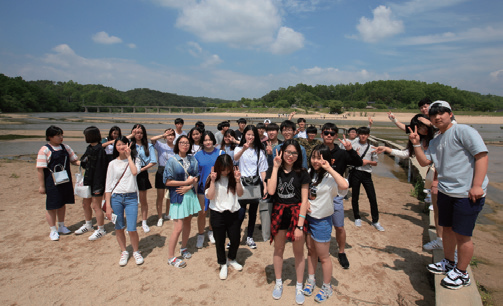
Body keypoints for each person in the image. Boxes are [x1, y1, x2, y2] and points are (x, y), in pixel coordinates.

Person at [410, 101, 488, 290]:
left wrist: (477, 185)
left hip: (466, 193)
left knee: (463, 235)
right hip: (446, 191)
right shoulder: (436, 139)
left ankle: (462, 272)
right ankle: (448, 262)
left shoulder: (463, 131)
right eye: (433, 114)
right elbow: (424, 161)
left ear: (450, 114)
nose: (437, 117)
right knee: (448, 230)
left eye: (441, 113)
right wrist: (416, 143)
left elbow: (481, 156)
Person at [303, 144, 348, 303]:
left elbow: (344, 186)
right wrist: (306, 202)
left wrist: (329, 168)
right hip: (309, 219)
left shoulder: (331, 178)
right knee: (310, 251)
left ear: (327, 160)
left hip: (322, 221)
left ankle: (327, 287)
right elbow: (304, 192)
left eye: (320, 158)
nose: (316, 161)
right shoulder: (309, 173)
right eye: (314, 157)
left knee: (324, 257)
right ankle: (311, 279)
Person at [267, 140, 310, 304]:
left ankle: (299, 285)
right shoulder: (274, 169)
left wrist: (300, 225)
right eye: (288, 152)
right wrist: (276, 167)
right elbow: (271, 191)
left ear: (298, 155)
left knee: (298, 252)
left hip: (296, 213)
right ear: (281, 152)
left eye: (294, 153)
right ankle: (278, 283)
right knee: (279, 249)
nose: (290, 156)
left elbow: (305, 201)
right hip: (279, 213)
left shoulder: (302, 172)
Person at [320, 122, 363, 269]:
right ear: (322, 135)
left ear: (336, 136)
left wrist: (350, 150)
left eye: (332, 133)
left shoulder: (342, 153)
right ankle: (322, 251)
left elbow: (359, 162)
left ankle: (341, 251)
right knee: (322, 225)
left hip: (336, 195)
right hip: (320, 195)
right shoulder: (318, 151)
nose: (329, 135)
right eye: (326, 133)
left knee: (339, 227)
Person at [104, 136, 144, 266]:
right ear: (115, 147)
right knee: (119, 227)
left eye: (123, 144)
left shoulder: (135, 159)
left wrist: (128, 157)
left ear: (128, 145)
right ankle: (124, 251)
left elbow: (134, 172)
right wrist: (108, 205)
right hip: (116, 198)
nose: (121, 147)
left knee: (132, 228)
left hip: (131, 197)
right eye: (118, 145)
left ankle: (136, 251)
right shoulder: (112, 163)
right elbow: (108, 186)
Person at [37, 125, 79, 241]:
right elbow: (40, 169)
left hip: (65, 180)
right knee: (51, 206)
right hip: (52, 181)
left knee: (62, 203)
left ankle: (61, 226)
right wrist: (42, 186)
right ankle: (53, 230)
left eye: (62, 135)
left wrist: (87, 163)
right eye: (58, 135)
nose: (61, 137)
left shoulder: (65, 147)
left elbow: (74, 161)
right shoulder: (44, 150)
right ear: (50, 137)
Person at [163, 135, 201, 268]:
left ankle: (184, 247)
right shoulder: (172, 161)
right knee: (177, 228)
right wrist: (185, 183)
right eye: (182, 142)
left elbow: (196, 177)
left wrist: (189, 186)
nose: (185, 145)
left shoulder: (192, 159)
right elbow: (167, 181)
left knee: (188, 222)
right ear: (177, 144)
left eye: (187, 143)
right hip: (178, 196)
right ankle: (170, 257)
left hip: (190, 195)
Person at [205, 155, 244, 280]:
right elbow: (210, 196)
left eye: (228, 169)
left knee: (235, 238)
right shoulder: (213, 178)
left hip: (233, 212)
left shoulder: (233, 177)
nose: (226, 172)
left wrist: (238, 180)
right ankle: (222, 264)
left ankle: (231, 258)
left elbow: (240, 193)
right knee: (219, 241)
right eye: (223, 169)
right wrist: (212, 181)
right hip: (217, 213)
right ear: (218, 167)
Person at [234, 125, 268, 249]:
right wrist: (243, 149)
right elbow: (235, 159)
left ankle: (249, 237)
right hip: (242, 184)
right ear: (244, 135)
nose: (250, 137)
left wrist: (265, 185)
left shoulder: (260, 150)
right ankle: (235, 237)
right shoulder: (238, 148)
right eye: (248, 134)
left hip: (255, 184)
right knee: (240, 213)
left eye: (253, 135)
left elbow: (263, 170)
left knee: (253, 213)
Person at [74, 126, 109, 240]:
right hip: (88, 180)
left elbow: (101, 168)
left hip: (97, 181)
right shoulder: (89, 148)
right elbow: (84, 161)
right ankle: (88, 224)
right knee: (85, 204)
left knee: (96, 206)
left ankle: (101, 229)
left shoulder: (100, 150)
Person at [194, 131, 225, 248]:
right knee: (202, 212)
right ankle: (200, 235)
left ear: (214, 141)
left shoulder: (221, 153)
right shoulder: (197, 155)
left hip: (217, 187)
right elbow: (196, 174)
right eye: (205, 140)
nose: (208, 142)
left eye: (210, 140)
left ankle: (211, 232)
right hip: (202, 187)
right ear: (202, 142)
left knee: (214, 211)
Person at [350, 127, 383, 231]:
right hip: (356, 172)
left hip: (367, 174)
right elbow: (349, 160)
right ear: (358, 135)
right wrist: (356, 157)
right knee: (355, 196)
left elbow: (375, 163)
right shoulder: (354, 146)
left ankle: (375, 221)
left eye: (365, 134)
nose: (363, 136)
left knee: (372, 197)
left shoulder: (372, 148)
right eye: (361, 134)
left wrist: (367, 161)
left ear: (368, 135)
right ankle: (357, 217)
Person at [131, 124, 157, 233]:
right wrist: (131, 135)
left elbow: (153, 161)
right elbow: (119, 141)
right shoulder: (129, 145)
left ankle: (144, 222)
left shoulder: (148, 146)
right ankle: (132, 223)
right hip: (131, 173)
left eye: (141, 133)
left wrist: (141, 170)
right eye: (137, 132)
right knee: (131, 200)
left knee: (143, 199)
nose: (139, 135)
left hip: (142, 172)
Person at [151, 128, 176, 226]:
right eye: (168, 135)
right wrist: (163, 135)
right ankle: (160, 217)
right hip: (161, 171)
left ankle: (167, 213)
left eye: (172, 135)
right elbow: (152, 139)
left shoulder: (176, 147)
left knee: (169, 195)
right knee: (160, 196)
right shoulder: (161, 145)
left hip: (172, 171)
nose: (170, 137)